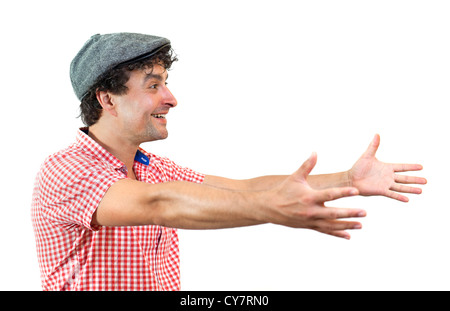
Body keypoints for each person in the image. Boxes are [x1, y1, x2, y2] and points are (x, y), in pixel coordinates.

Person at [31, 32, 427, 291]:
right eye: (153, 85)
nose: (170, 98)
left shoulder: (156, 169)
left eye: (166, 83)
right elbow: (160, 204)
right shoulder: (66, 171)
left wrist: (347, 178)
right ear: (107, 99)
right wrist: (270, 209)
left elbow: (240, 188)